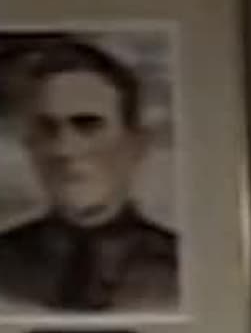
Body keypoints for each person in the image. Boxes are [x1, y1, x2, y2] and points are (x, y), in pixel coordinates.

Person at [0, 39, 178, 313]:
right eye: (47, 128)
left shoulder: (183, 266)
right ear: (30, 147)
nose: (63, 149)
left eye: (88, 124)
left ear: (136, 145)